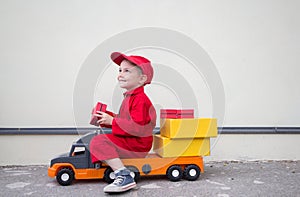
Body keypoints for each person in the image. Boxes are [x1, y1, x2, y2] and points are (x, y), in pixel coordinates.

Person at [90, 52, 156, 193]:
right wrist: (106, 118)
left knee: (99, 141)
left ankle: (124, 175)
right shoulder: (130, 97)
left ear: (141, 79)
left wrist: (113, 121)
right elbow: (125, 121)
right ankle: (120, 171)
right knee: (97, 140)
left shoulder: (140, 99)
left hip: (137, 144)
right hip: (131, 140)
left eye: (127, 71)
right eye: (120, 70)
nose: (120, 74)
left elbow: (137, 127)